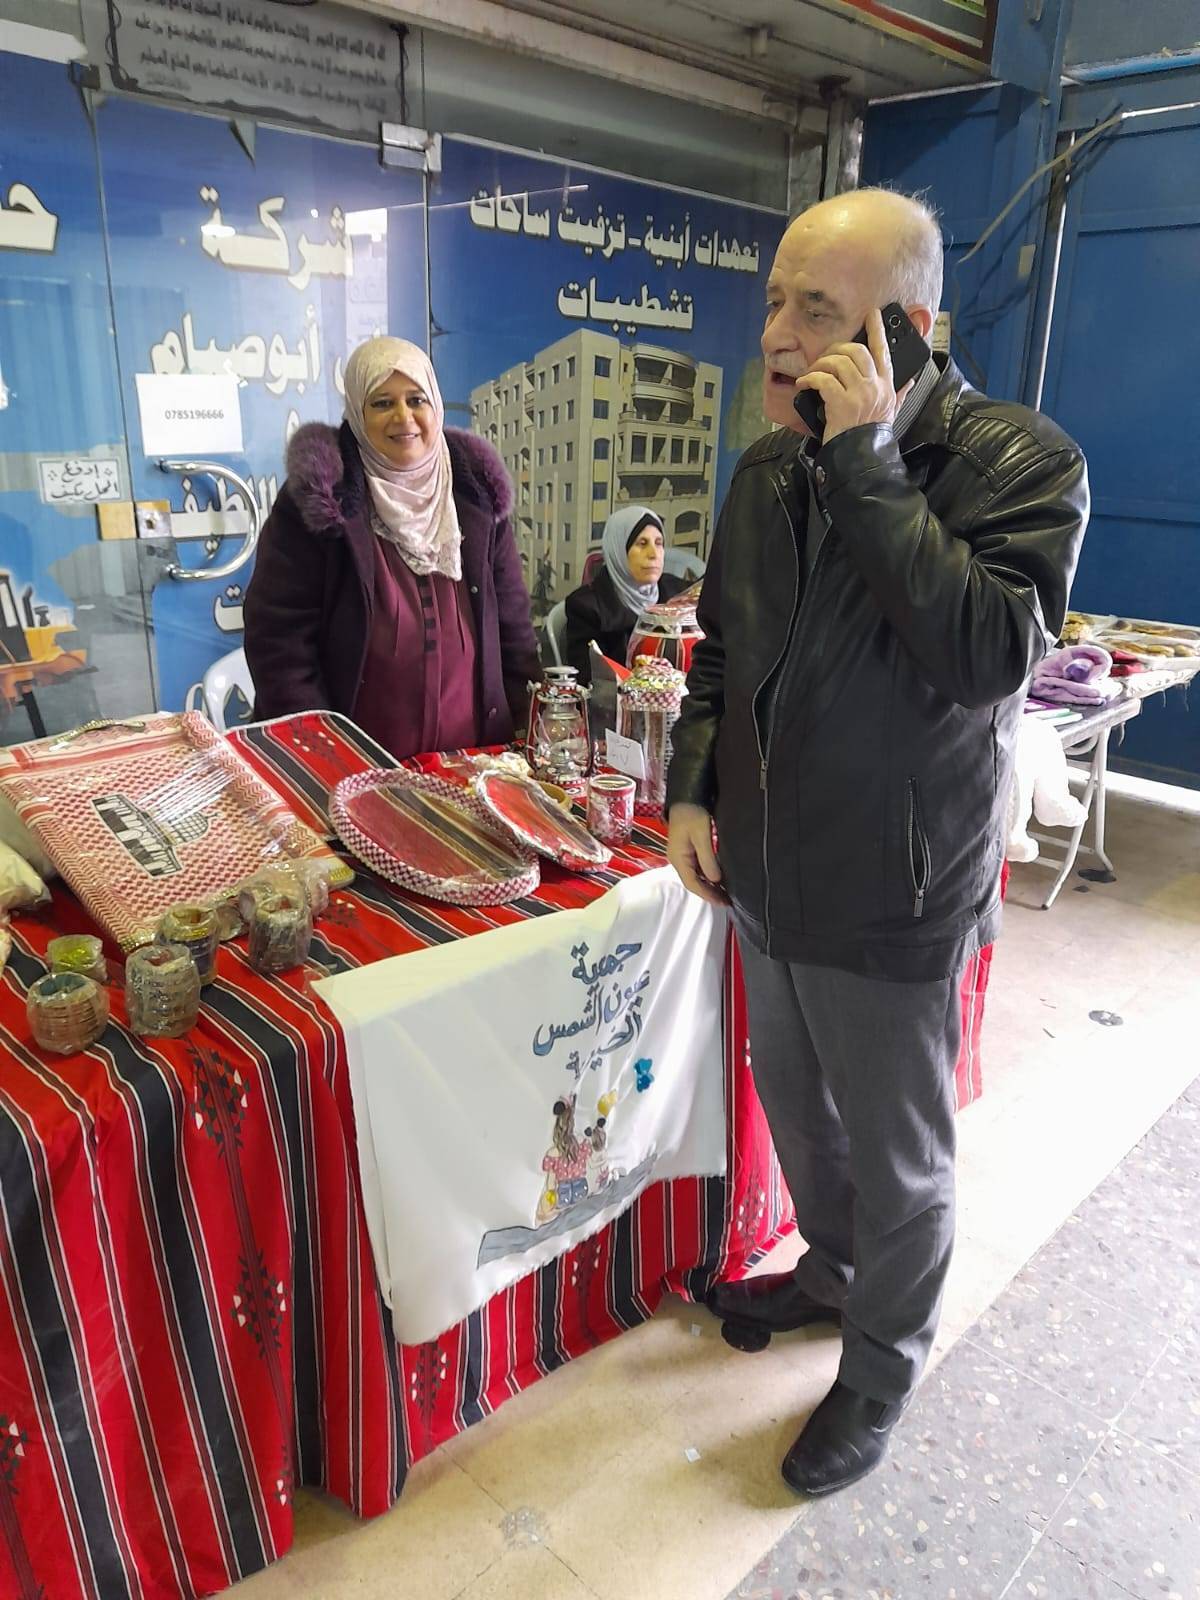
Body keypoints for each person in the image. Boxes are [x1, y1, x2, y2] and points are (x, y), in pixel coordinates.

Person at [666, 188, 1088, 1497]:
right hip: (768, 876)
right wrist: (692, 790)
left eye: (817, 308)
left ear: (906, 327)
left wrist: (865, 462)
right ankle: (833, 1271)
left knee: (902, 1159)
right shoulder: (764, 469)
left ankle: (881, 1367)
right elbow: (722, 652)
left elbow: (986, 653)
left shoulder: (1017, 464)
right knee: (802, 1116)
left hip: (897, 887)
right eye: (775, 302)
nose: (777, 334)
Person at [244, 337, 540, 759]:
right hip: (352, 768)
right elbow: (279, 642)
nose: (404, 417)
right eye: (382, 403)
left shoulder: (475, 492)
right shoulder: (318, 499)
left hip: (473, 763)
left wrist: (529, 725)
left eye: (416, 399)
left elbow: (512, 624)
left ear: (436, 405)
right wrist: (322, 753)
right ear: (357, 413)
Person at [561, 507, 689, 682]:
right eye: (642, 544)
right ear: (619, 549)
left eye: (658, 543)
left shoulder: (678, 594)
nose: (653, 554)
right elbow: (590, 680)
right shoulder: (585, 607)